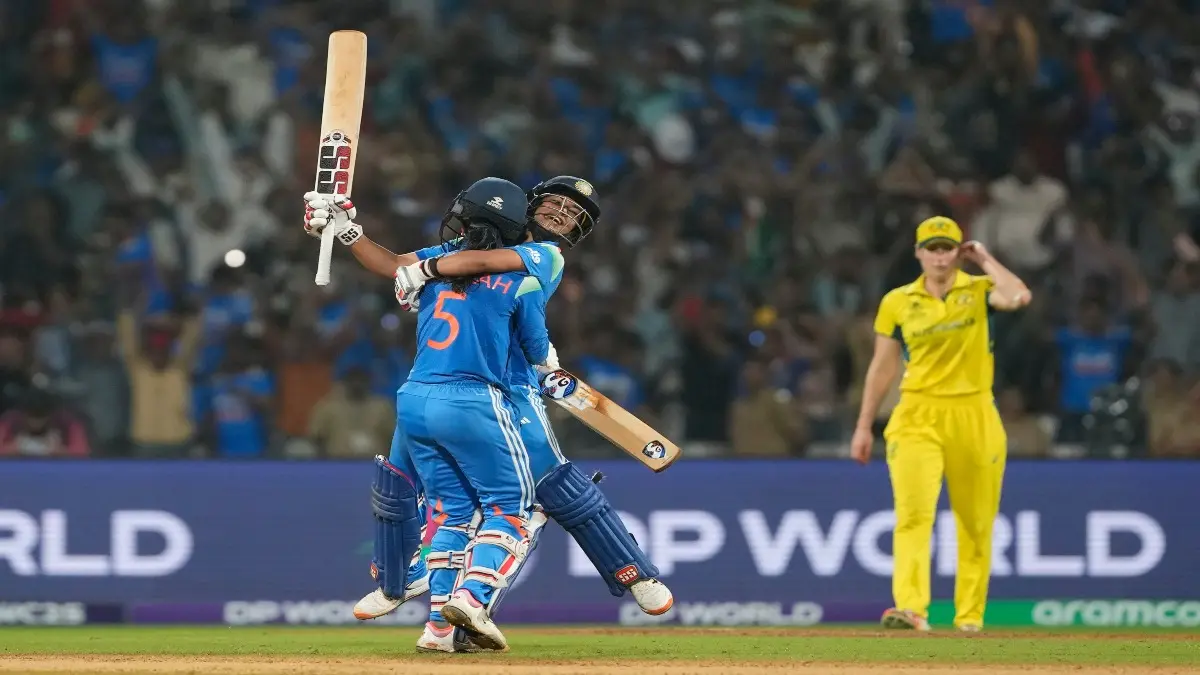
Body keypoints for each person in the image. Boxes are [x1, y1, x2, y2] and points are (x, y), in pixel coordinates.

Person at [303, 176, 671, 652]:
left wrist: (425, 270)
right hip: (461, 385)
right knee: (400, 484)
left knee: (554, 486)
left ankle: (634, 574)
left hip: (509, 387)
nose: (562, 213)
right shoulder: (470, 243)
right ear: (527, 204)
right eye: (556, 202)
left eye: (574, 212)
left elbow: (467, 266)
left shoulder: (542, 255)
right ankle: (411, 592)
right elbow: (395, 264)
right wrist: (347, 231)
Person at [850, 216, 1031, 632]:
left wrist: (983, 258)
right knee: (914, 515)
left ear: (957, 251)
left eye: (946, 247)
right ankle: (910, 609)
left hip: (975, 413)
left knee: (975, 521)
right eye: (930, 248)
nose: (938, 255)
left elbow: (1020, 296)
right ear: (918, 253)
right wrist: (863, 425)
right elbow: (882, 365)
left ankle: (969, 618)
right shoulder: (897, 301)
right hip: (916, 413)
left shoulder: (980, 290)